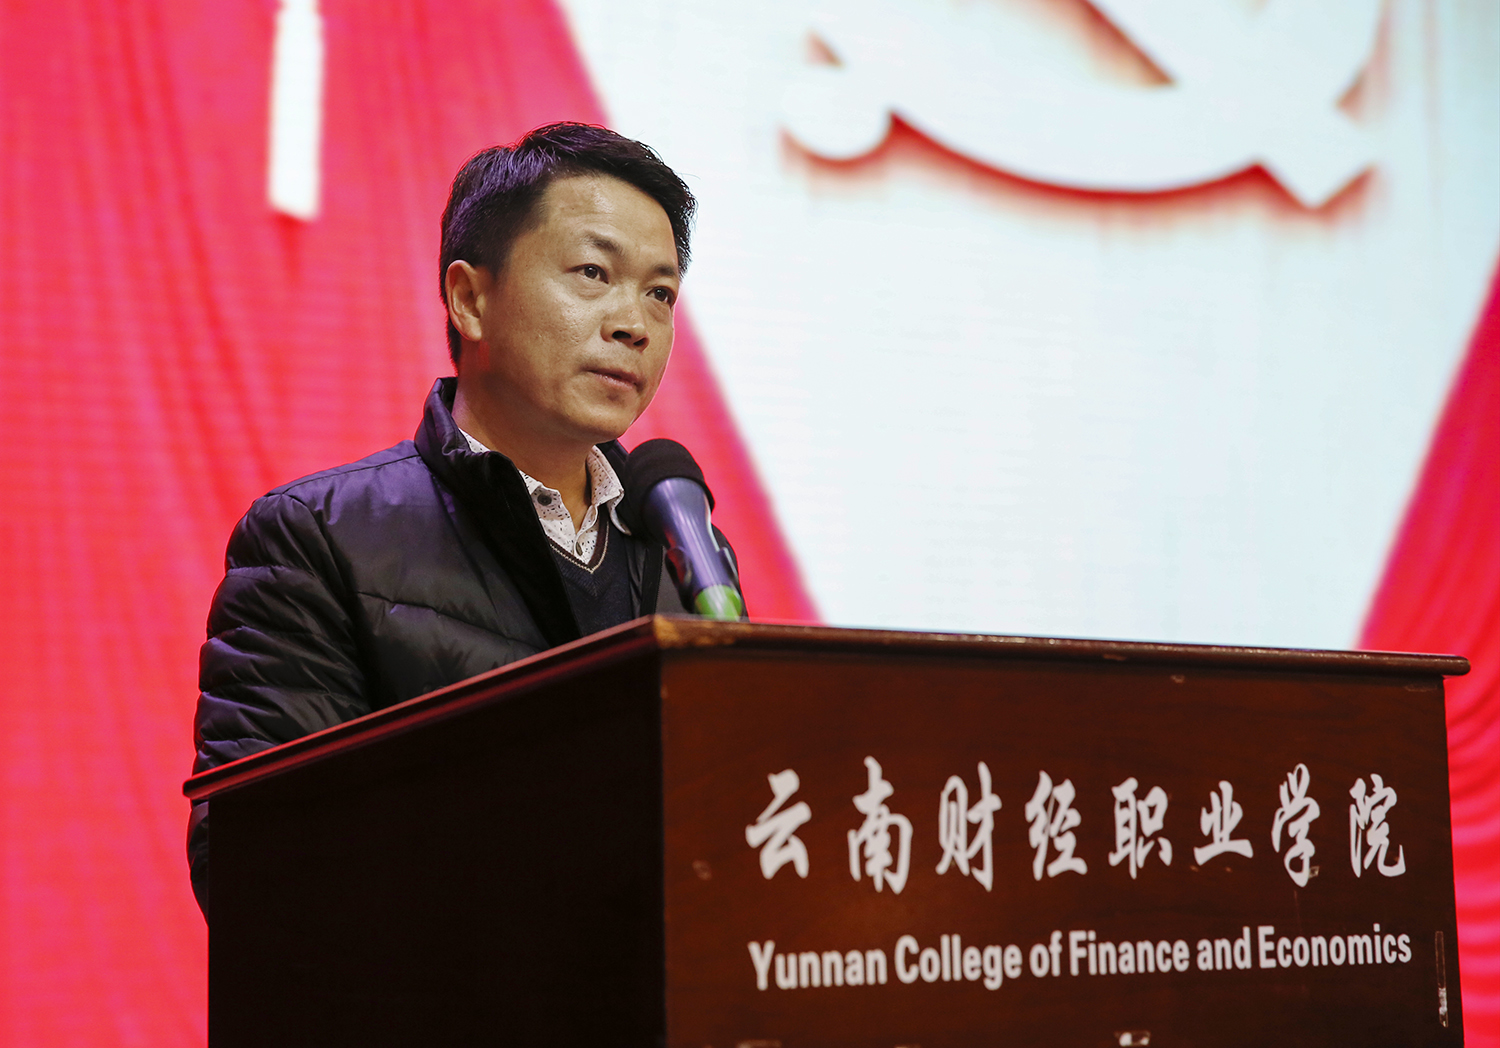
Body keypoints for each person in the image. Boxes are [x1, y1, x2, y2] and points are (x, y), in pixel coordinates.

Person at [188, 122, 728, 919]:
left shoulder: (685, 550)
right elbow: (257, 866)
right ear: (470, 299)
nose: (635, 324)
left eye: (660, 293)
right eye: (593, 273)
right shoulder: (317, 538)